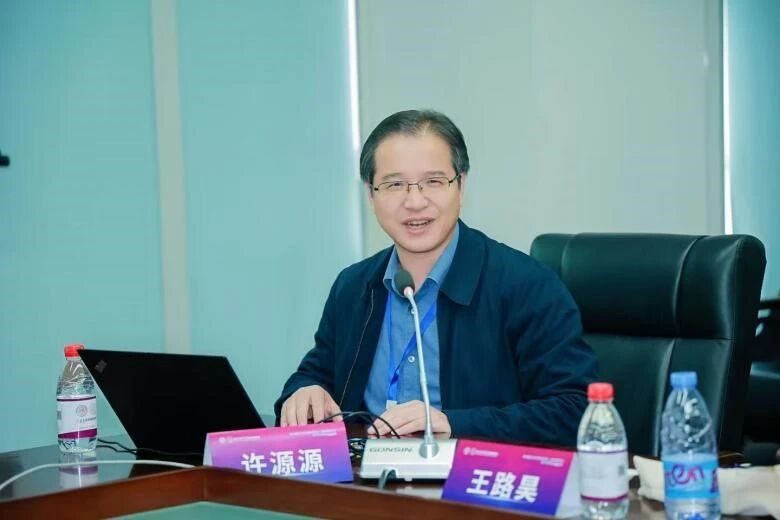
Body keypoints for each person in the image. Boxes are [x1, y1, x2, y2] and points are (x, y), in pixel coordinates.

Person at [274, 109, 597, 445]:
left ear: (461, 185)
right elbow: (316, 374)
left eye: (433, 181)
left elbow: (576, 410)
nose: (415, 202)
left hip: (472, 474)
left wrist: (455, 424)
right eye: (395, 184)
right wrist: (305, 391)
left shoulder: (526, 286)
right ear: (371, 195)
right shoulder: (355, 287)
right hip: (365, 473)